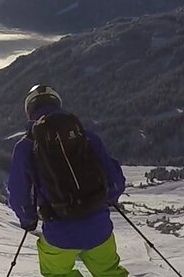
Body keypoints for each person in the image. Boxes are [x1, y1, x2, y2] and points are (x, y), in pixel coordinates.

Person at [8, 84, 128, 277]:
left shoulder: (26, 147)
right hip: (99, 227)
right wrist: (101, 201)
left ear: (29, 112)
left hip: (59, 232)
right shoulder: (85, 136)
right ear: (58, 104)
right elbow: (116, 182)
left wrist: (28, 220)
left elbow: (19, 193)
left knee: (57, 274)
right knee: (110, 272)